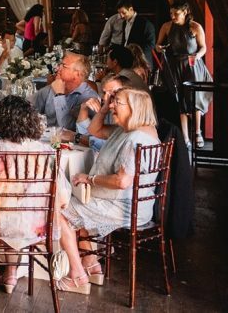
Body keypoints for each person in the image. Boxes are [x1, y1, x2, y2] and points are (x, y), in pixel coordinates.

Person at [55, 88, 161, 293]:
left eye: (116, 102)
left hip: (123, 207)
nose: (112, 104)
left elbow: (122, 181)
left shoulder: (134, 139)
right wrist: (103, 109)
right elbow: (94, 131)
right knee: (79, 204)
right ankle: (92, 265)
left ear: (134, 108)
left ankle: (77, 274)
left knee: (58, 211)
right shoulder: (130, 130)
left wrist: (90, 178)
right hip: (135, 203)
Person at [0, 95, 70, 293]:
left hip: (0, 222)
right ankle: (11, 274)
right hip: (37, 224)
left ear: (1, 121)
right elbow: (62, 199)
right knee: (14, 212)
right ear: (32, 121)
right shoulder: (47, 152)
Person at [156, 0, 213, 148]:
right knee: (180, 99)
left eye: (176, 13)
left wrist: (197, 56)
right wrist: (160, 48)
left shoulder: (195, 27)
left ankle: (198, 133)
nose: (173, 16)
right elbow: (157, 45)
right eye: (171, 13)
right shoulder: (167, 26)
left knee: (195, 99)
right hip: (175, 66)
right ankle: (186, 137)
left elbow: (203, 48)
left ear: (185, 12)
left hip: (192, 65)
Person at [33, 52, 95, 130]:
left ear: (77, 74)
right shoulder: (53, 87)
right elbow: (30, 107)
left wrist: (59, 95)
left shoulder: (89, 98)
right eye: (60, 65)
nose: (57, 68)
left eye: (64, 66)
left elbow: (69, 128)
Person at [75, 74, 132, 152]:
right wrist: (83, 108)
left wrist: (76, 137)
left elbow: (108, 147)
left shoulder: (130, 118)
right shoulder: (107, 110)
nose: (105, 98)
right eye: (104, 93)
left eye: (112, 93)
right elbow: (90, 133)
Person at [98, 0, 155, 68]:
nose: (121, 16)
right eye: (119, 13)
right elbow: (125, 41)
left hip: (141, 63)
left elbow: (151, 45)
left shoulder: (145, 24)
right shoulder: (125, 22)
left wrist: (135, 53)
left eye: (123, 13)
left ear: (131, 9)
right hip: (128, 61)